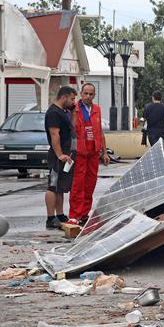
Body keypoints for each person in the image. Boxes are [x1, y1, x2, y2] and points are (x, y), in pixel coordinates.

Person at [68, 83, 108, 226]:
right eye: (85, 93)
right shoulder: (75, 109)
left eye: (91, 94)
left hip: (93, 152)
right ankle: (74, 215)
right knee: (78, 184)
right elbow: (71, 128)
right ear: (81, 93)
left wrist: (104, 152)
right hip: (80, 151)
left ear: (94, 95)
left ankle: (84, 213)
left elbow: (100, 132)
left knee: (90, 183)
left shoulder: (97, 109)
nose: (88, 96)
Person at [44, 86, 77, 229]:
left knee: (61, 186)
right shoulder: (53, 113)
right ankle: (50, 217)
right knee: (53, 186)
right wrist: (59, 155)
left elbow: (71, 128)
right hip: (58, 155)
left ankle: (60, 214)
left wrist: (73, 113)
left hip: (66, 153)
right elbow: (54, 135)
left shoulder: (63, 112)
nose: (73, 102)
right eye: (72, 99)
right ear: (64, 97)